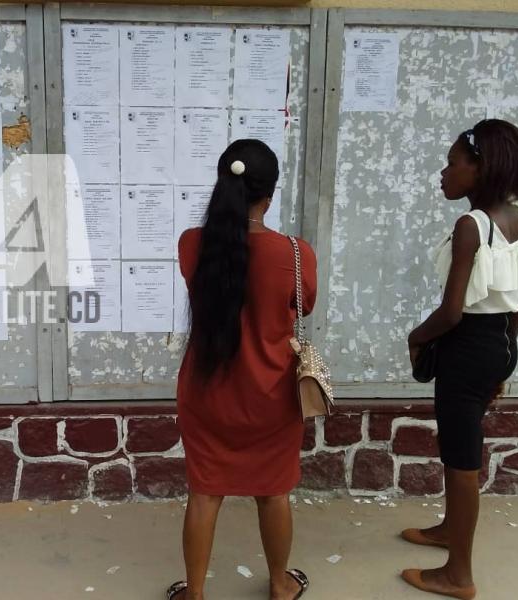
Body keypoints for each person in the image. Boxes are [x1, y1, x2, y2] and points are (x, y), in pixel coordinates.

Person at [166, 139, 317, 600]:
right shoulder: (296, 255)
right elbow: (303, 304)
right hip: (271, 397)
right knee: (273, 492)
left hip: (207, 393)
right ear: (268, 196)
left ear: (220, 185)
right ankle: (278, 583)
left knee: (205, 493)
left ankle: (194, 594)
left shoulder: (193, 245)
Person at [403, 120, 518, 600]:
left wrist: (414, 338)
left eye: (452, 164)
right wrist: (504, 359)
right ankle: (449, 529)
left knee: (462, 460)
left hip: (466, 347)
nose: (444, 173)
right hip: (498, 341)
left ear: (479, 169)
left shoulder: (471, 226)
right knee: (459, 446)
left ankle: (457, 575)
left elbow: (451, 312)